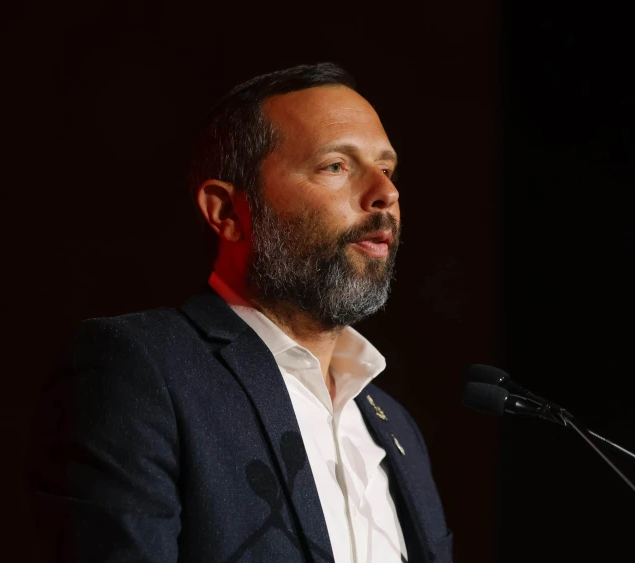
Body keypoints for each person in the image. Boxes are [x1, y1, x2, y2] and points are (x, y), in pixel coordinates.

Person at [28, 62, 452, 563]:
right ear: (227, 212)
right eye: (336, 165)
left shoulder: (395, 427)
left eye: (387, 168)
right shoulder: (140, 372)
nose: (386, 192)